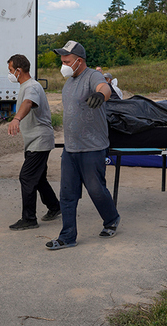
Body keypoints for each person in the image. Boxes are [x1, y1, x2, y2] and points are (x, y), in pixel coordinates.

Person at [46, 40, 119, 250]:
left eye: (66, 61)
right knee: (67, 193)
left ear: (79, 61)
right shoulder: (69, 82)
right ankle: (67, 236)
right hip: (71, 148)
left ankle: (112, 218)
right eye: (62, 60)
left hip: (93, 147)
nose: (63, 64)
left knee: (96, 190)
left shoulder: (91, 76)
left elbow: (104, 87)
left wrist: (100, 94)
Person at [5, 54, 62, 231]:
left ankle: (29, 219)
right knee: (39, 178)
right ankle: (55, 207)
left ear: (18, 70)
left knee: (27, 177)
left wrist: (16, 119)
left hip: (39, 141)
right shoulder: (28, 86)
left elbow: (28, 103)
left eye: (10, 70)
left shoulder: (32, 87)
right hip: (35, 141)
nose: (9, 74)